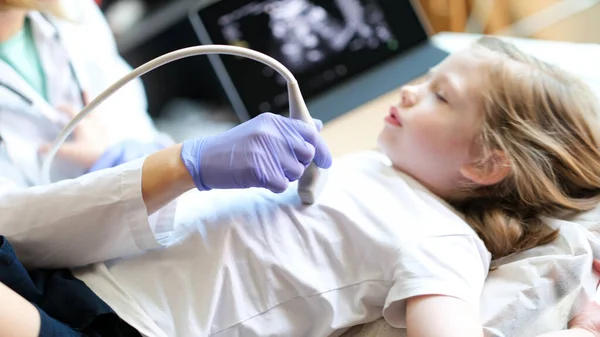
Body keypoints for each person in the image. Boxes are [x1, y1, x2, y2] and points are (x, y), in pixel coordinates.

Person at [2, 34, 600, 336]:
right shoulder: (369, 171)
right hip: (82, 279)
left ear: (487, 164)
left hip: (132, 325)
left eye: (442, 96)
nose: (411, 91)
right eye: (427, 76)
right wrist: (164, 162)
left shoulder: (444, 243)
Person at [0, 0, 171, 187]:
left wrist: (123, 158)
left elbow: (136, 123)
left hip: (161, 192)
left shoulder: (73, 9)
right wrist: (113, 162)